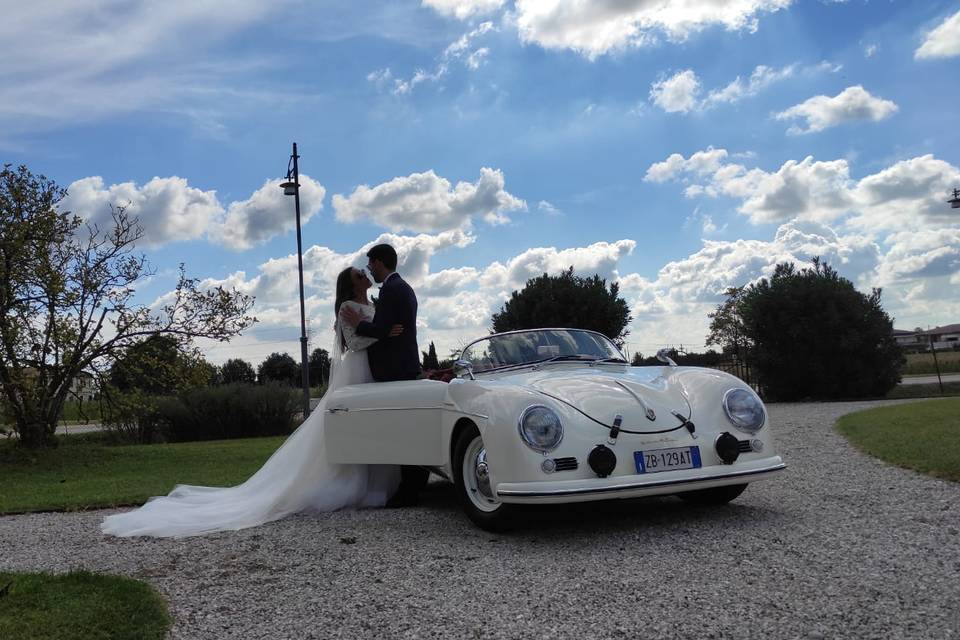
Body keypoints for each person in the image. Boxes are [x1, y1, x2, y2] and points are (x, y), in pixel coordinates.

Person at [101, 266, 403, 538]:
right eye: (359, 276)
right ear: (350, 286)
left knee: (373, 424)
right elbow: (354, 342)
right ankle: (349, 482)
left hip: (374, 369)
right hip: (356, 369)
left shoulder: (371, 305)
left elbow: (378, 332)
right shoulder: (347, 308)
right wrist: (382, 332)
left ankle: (378, 483)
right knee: (350, 425)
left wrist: (384, 331)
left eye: (364, 273)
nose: (365, 276)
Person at [340, 243, 427, 507]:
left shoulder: (390, 289)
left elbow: (382, 328)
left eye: (370, 266)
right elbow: (382, 330)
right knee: (403, 427)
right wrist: (377, 329)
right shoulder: (400, 287)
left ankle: (409, 489)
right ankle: (409, 485)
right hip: (396, 365)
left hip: (395, 368)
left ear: (379, 263)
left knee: (403, 429)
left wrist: (361, 324)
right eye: (362, 272)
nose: (368, 272)